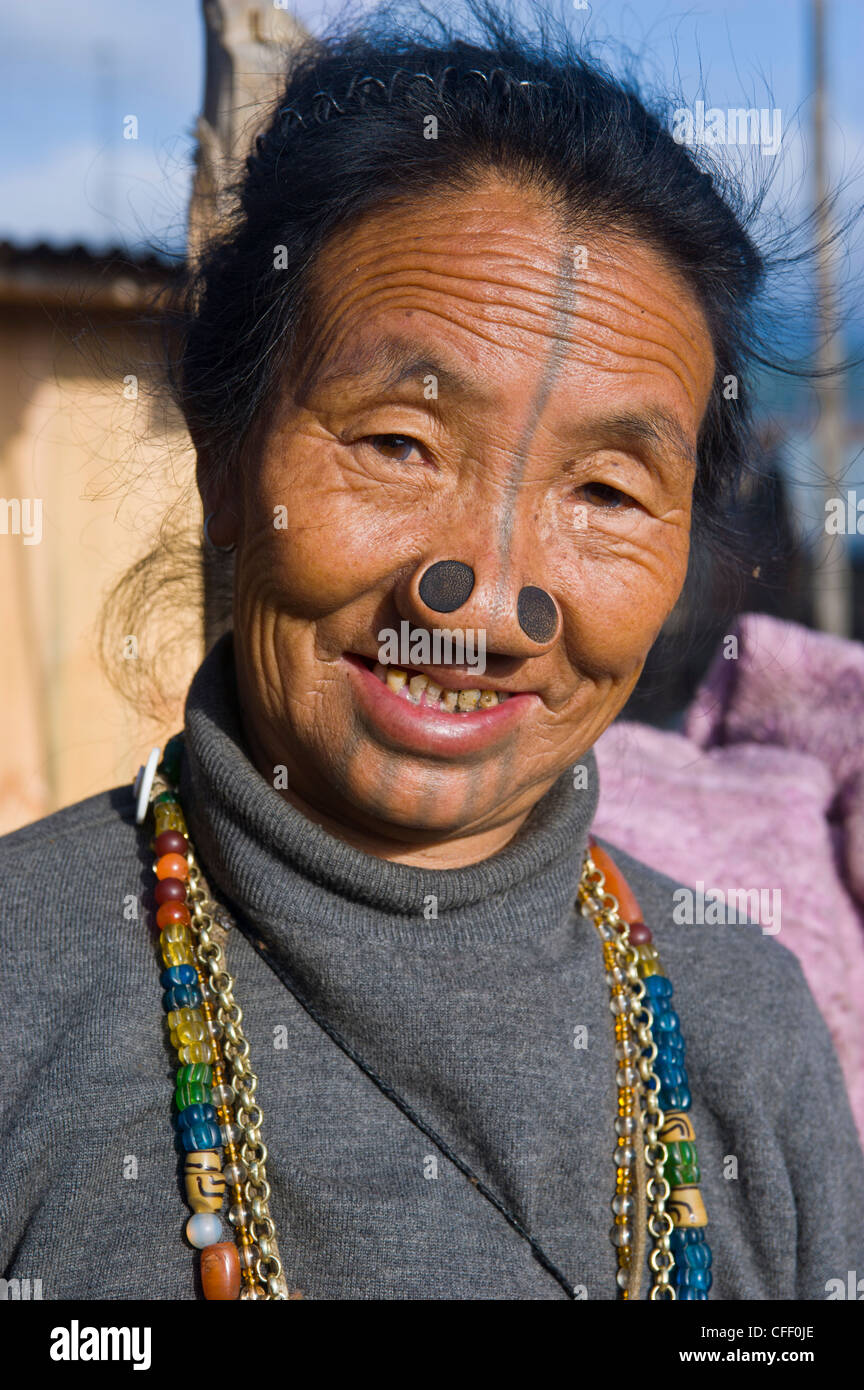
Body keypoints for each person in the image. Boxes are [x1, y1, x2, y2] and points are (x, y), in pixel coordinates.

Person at [2, 5, 862, 1301]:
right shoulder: (25, 992)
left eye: (609, 493)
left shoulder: (750, 1027)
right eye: (399, 443)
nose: (483, 598)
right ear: (225, 459)